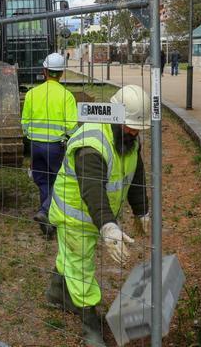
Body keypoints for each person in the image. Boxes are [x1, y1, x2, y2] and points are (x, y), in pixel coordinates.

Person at [45, 85, 150, 346]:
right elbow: (92, 189)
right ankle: (90, 323)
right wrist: (108, 227)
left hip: (97, 215)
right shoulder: (92, 143)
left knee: (70, 257)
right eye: (130, 126)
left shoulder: (128, 140)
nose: (134, 132)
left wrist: (141, 211)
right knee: (81, 266)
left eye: (138, 128)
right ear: (114, 116)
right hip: (75, 215)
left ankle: (57, 293)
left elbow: (136, 174)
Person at [21, 52, 78, 239]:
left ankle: (46, 219)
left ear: (44, 71)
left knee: (43, 181)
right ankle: (46, 212)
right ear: (61, 73)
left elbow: (25, 123)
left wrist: (31, 137)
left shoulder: (31, 94)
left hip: (36, 146)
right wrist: (68, 139)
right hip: (56, 147)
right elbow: (72, 126)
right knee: (58, 181)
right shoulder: (67, 96)